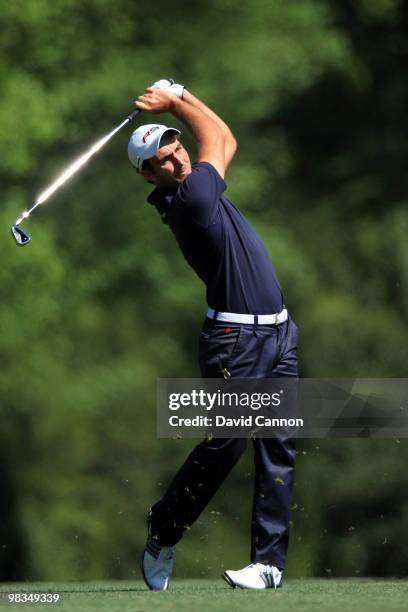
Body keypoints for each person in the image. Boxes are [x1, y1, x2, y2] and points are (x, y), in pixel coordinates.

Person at [128, 79, 299, 591]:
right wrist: (177, 101)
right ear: (149, 176)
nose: (176, 158)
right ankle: (164, 530)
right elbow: (215, 139)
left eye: (175, 145)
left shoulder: (195, 181)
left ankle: (267, 563)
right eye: (162, 158)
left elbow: (224, 137)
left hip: (280, 334)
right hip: (236, 343)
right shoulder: (191, 199)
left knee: (279, 444)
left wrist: (180, 94)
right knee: (227, 445)